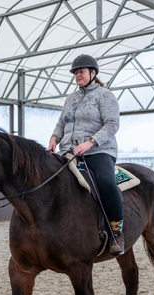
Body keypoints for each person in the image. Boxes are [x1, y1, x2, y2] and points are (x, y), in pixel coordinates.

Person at [48, 54, 125, 256]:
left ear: (93, 72)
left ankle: (116, 231)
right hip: (68, 151)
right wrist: (54, 138)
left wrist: (90, 143)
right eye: (75, 73)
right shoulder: (71, 98)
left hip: (99, 150)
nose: (77, 76)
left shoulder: (105, 95)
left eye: (80, 72)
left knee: (106, 181)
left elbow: (112, 124)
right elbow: (61, 123)